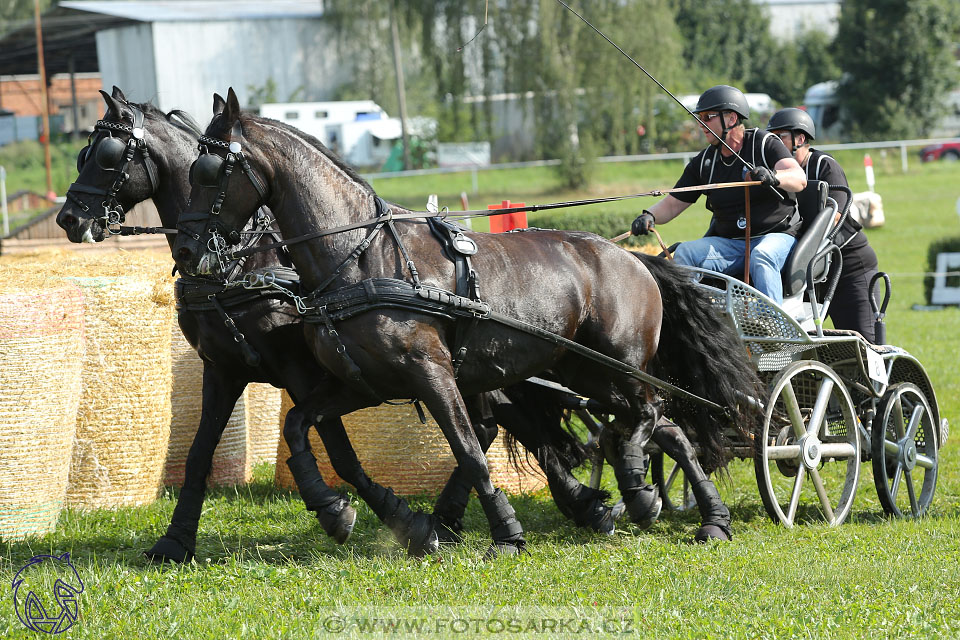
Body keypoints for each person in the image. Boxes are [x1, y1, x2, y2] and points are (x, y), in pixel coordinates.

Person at [631, 85, 807, 304]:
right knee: (686, 253)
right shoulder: (704, 162)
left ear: (731, 118)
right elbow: (674, 203)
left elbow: (799, 178)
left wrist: (773, 176)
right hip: (731, 244)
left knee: (761, 256)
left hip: (776, 236)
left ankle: (772, 329)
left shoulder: (764, 143)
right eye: (699, 118)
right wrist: (650, 215)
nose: (701, 124)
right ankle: (690, 323)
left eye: (708, 117)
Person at [766, 107, 882, 342]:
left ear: (800, 139)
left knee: (864, 344)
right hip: (808, 268)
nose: (774, 144)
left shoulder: (823, 165)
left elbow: (834, 216)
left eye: (780, 137)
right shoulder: (775, 174)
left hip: (847, 264)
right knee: (804, 345)